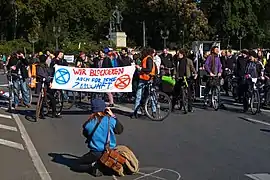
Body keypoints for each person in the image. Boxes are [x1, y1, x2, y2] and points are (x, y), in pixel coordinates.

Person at [77, 99, 123, 176]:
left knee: (78, 165)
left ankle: (92, 167)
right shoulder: (111, 120)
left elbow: (85, 133)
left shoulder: (90, 123)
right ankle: (102, 166)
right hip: (109, 151)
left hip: (96, 152)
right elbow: (120, 130)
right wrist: (113, 116)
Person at [131, 48, 157, 118]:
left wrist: (140, 68)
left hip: (146, 78)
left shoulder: (148, 59)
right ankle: (153, 111)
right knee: (148, 95)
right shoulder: (148, 59)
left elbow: (149, 69)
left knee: (140, 96)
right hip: (147, 78)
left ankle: (136, 112)